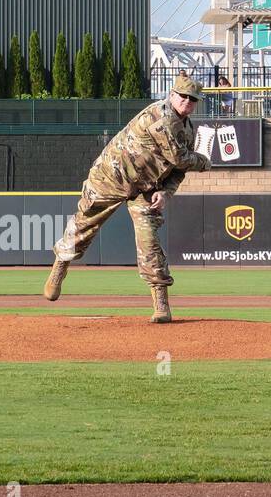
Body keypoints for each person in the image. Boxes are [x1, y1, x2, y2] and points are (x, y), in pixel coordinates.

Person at [43, 73, 211, 323]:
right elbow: (179, 158)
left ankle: (160, 302)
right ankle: (60, 265)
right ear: (172, 95)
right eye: (183, 96)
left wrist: (166, 192)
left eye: (193, 98)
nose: (187, 101)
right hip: (112, 176)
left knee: (149, 240)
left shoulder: (187, 128)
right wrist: (204, 161)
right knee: (83, 226)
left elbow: (177, 170)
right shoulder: (160, 116)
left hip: (146, 188)